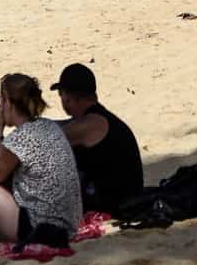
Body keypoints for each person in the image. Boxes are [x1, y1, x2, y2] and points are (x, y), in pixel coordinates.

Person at [0, 73, 82, 246]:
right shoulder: (48, 126)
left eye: (2, 101)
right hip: (66, 224)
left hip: (41, 228)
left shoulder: (22, 137)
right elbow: (3, 169)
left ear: (8, 103)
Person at [51, 64, 144, 214]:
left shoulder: (90, 124)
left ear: (68, 97)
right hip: (121, 198)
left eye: (60, 93)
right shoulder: (100, 118)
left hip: (116, 205)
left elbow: (42, 140)